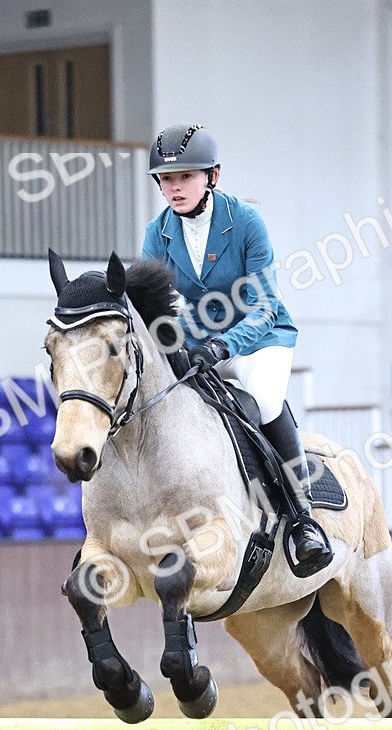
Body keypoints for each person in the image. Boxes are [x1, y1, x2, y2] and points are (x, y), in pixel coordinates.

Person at [142, 123, 332, 573]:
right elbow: (158, 309)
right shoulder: (158, 233)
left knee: (264, 401)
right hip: (202, 342)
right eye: (167, 179)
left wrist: (223, 346)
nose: (174, 188)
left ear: (213, 176)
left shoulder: (246, 222)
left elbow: (265, 306)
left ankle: (303, 518)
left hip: (258, 340)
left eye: (185, 177)